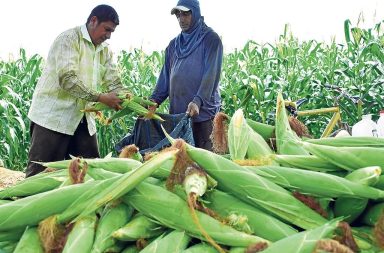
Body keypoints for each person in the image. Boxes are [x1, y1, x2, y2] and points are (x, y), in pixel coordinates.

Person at [26, 5, 126, 177]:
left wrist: (131, 101)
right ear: (93, 21)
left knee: (90, 174)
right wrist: (101, 97)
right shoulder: (69, 39)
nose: (108, 35)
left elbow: (114, 81)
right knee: (41, 174)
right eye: (107, 29)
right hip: (54, 118)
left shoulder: (105, 50)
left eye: (112, 32)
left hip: (83, 119)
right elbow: (67, 79)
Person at [149, 0, 223, 151]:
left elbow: (211, 75)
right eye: (178, 15)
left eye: (186, 14)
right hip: (179, 117)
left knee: (205, 163)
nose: (181, 19)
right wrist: (154, 101)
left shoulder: (210, 39)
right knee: (182, 161)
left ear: (195, 13)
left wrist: (197, 101)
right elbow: (165, 78)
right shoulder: (173, 45)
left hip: (203, 117)